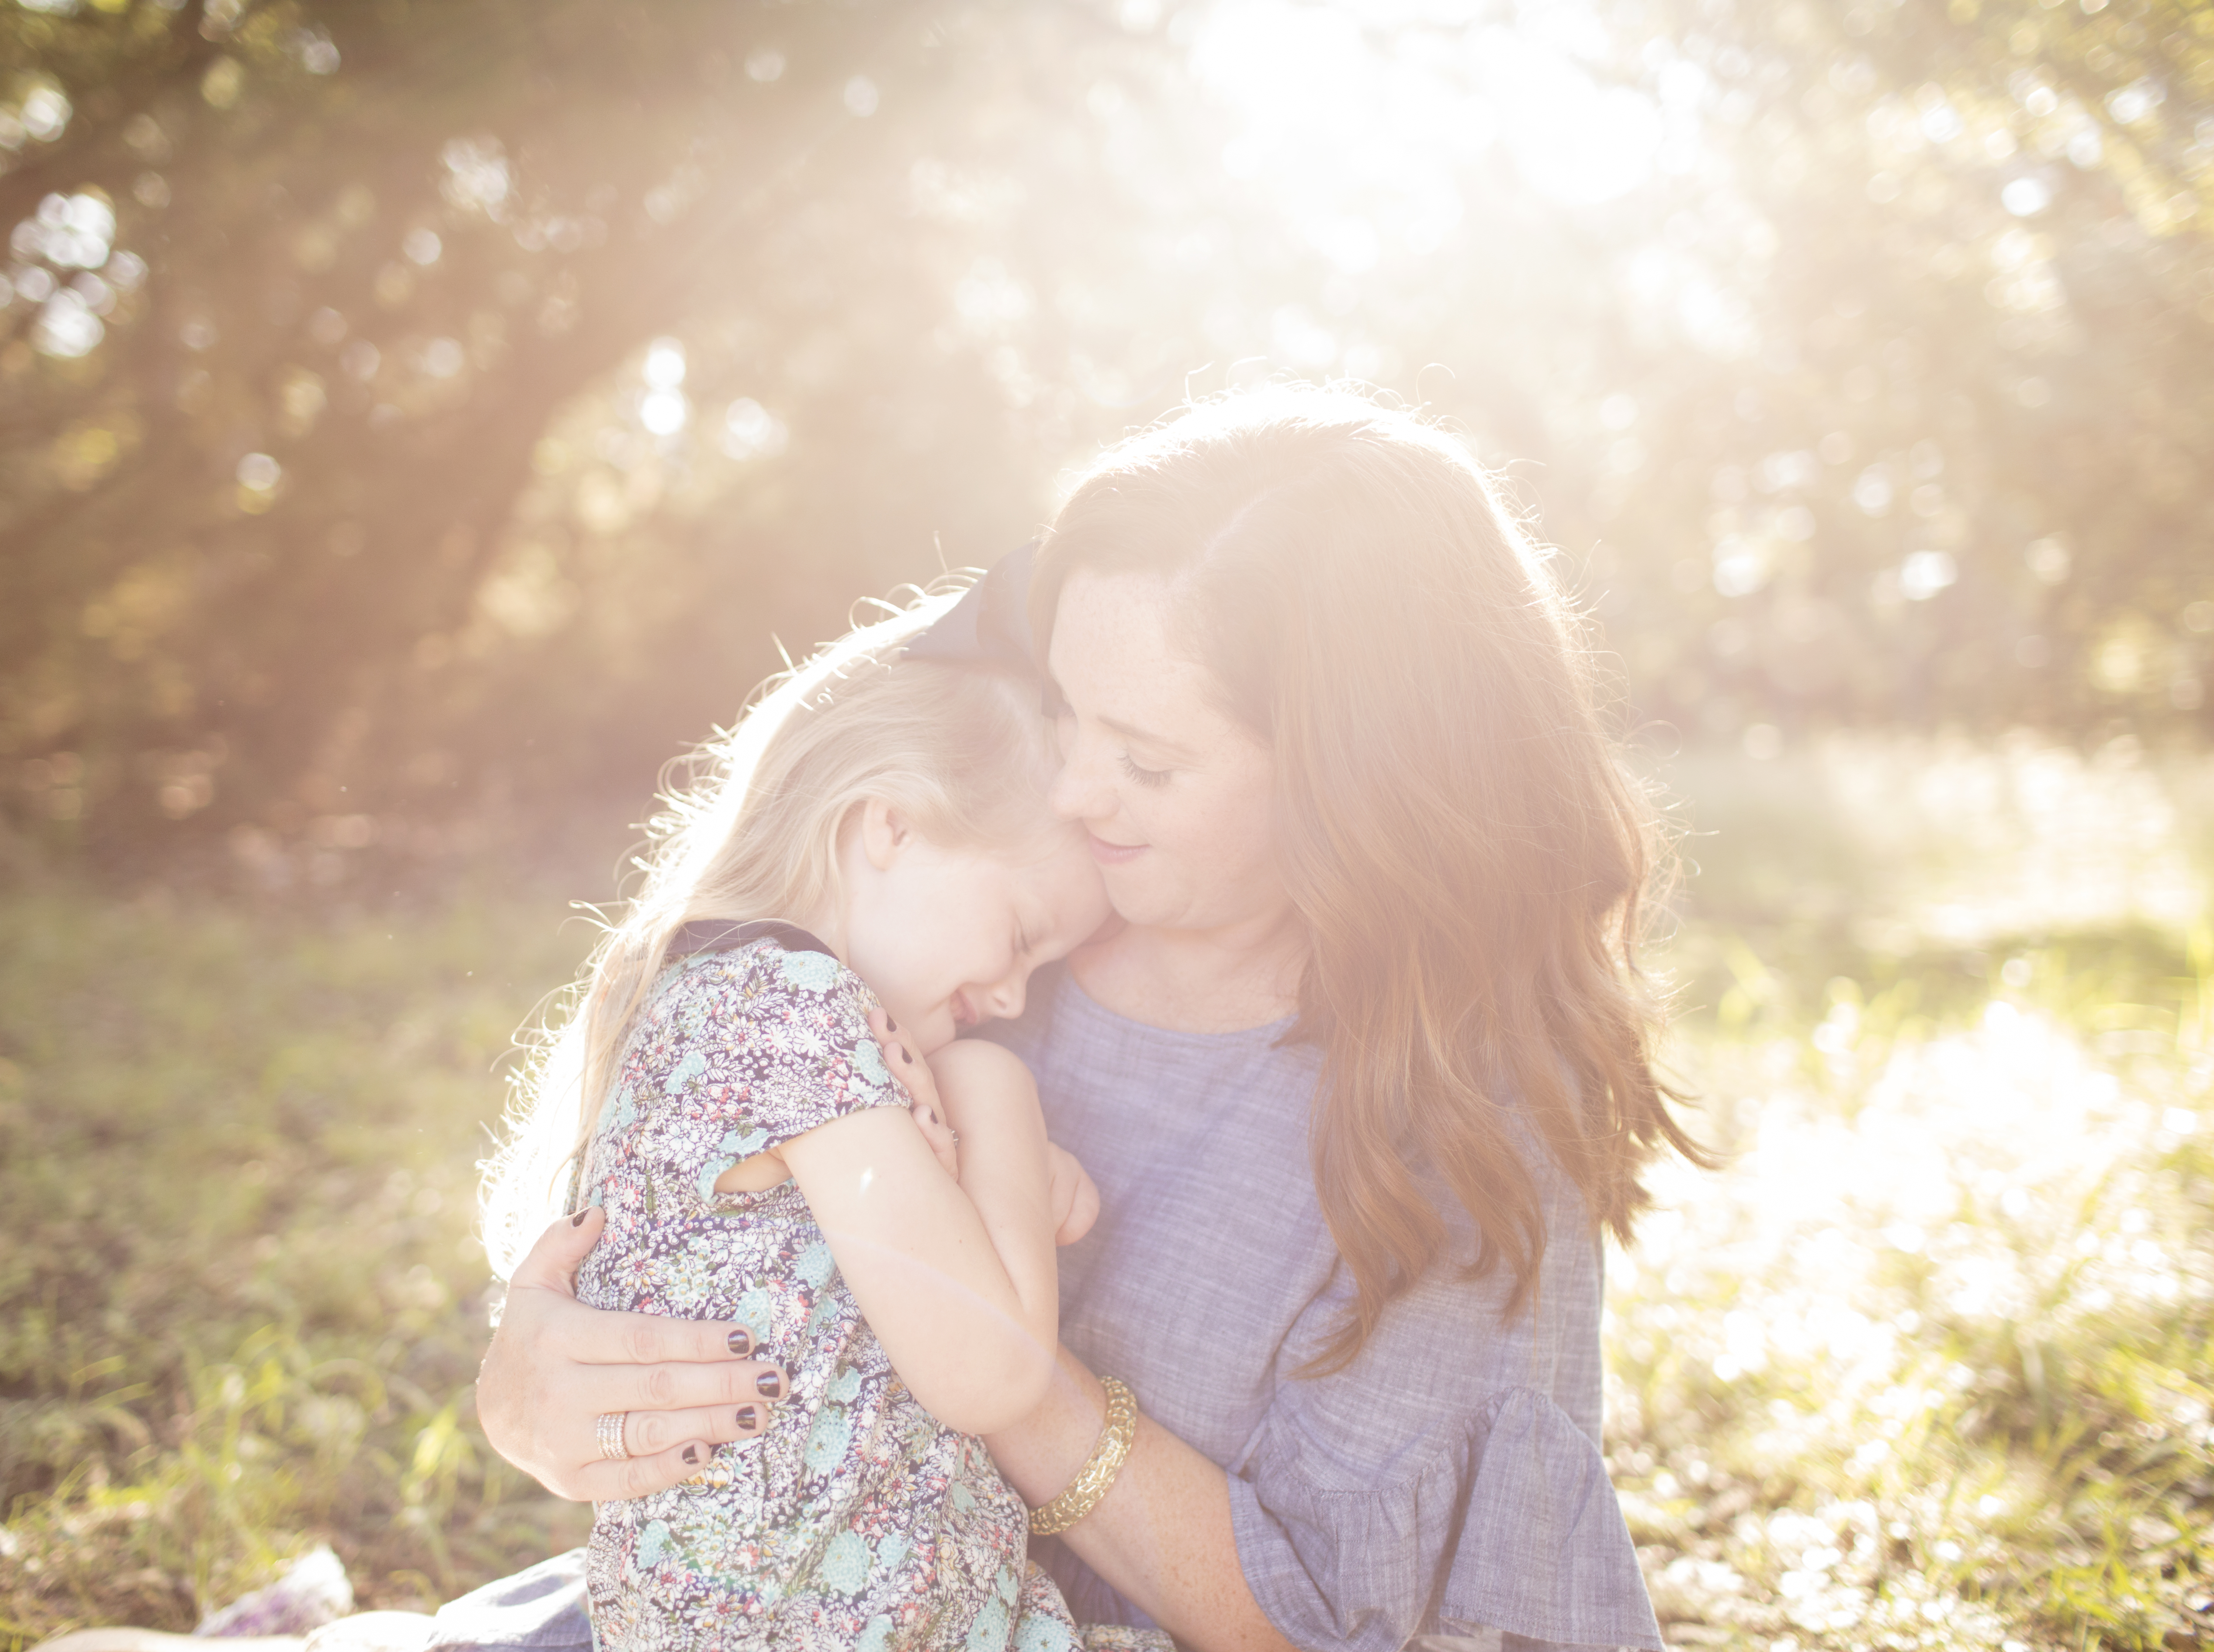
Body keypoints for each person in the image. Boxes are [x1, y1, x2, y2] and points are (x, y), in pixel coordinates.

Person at [446, 384, 1702, 1652]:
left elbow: (1329, 1625)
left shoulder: (1457, 1107)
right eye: (1063, 711)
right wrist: (538, 1381)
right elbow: (709, 1216)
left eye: (1149, 763)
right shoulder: (987, 913)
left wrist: (1003, 1359)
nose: (1072, 789)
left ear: (1351, 780)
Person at [471, 592, 1171, 1652]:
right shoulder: (790, 1001)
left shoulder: (705, 996)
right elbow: (990, 1370)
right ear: (884, 824)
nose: (1019, 999)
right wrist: (1001, 1109)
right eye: (1023, 936)